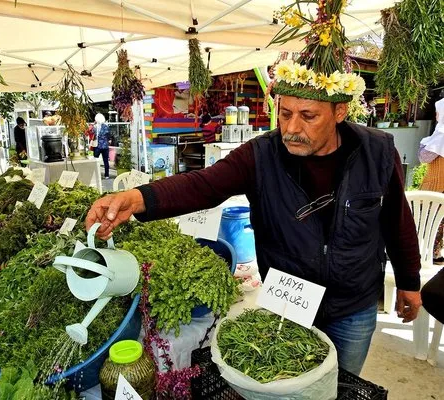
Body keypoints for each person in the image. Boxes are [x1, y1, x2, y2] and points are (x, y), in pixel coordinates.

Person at [85, 4, 422, 377]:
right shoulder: (261, 155)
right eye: (285, 112)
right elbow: (203, 186)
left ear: (339, 112)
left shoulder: (376, 152)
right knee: (289, 380)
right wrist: (135, 199)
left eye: (308, 116)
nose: (292, 127)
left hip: (352, 304)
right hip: (288, 302)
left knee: (343, 383)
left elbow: (397, 221)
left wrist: (409, 282)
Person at [418, 98, 444, 263]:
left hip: (436, 185)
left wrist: (422, 146)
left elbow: (424, 157)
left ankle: (429, 253)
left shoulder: (441, 134)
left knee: (428, 220)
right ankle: (436, 253)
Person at [93, 113, 111, 179]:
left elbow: (93, 135)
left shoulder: (95, 127)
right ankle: (107, 175)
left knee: (95, 161)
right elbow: (109, 136)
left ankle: (95, 174)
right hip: (105, 146)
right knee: (106, 161)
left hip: (97, 146)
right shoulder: (106, 127)